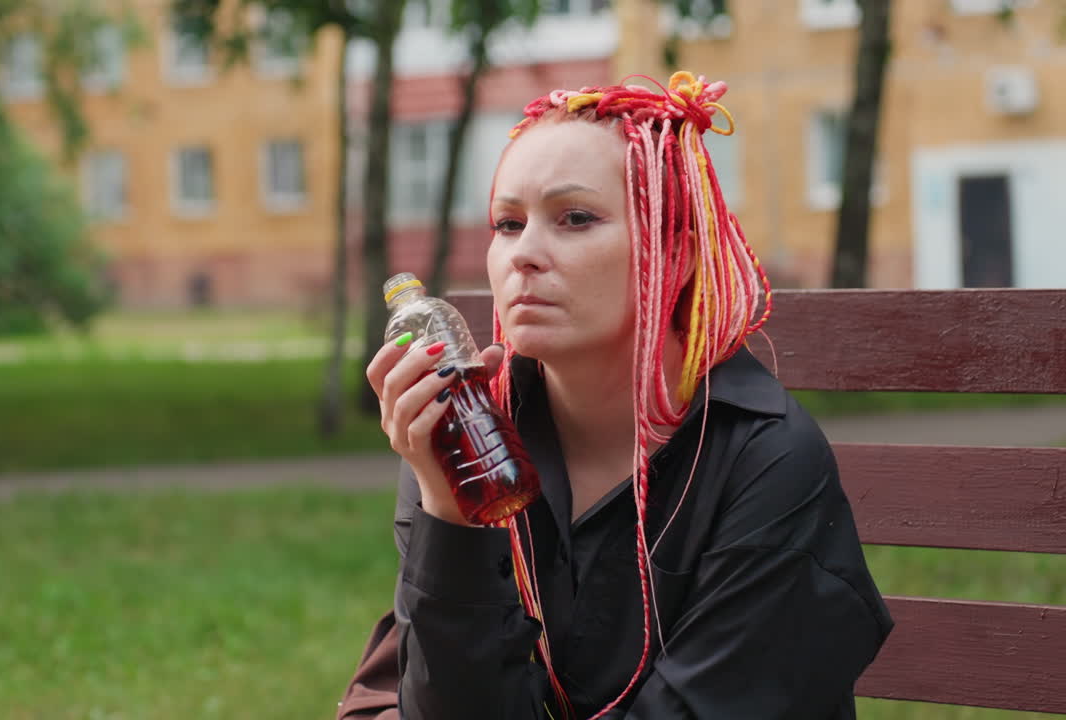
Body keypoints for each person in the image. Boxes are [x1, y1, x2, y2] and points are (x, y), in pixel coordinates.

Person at [348, 72, 893, 720]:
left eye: (575, 218)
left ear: (677, 252)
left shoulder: (765, 463)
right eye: (507, 223)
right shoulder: (468, 438)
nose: (524, 254)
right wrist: (449, 515)